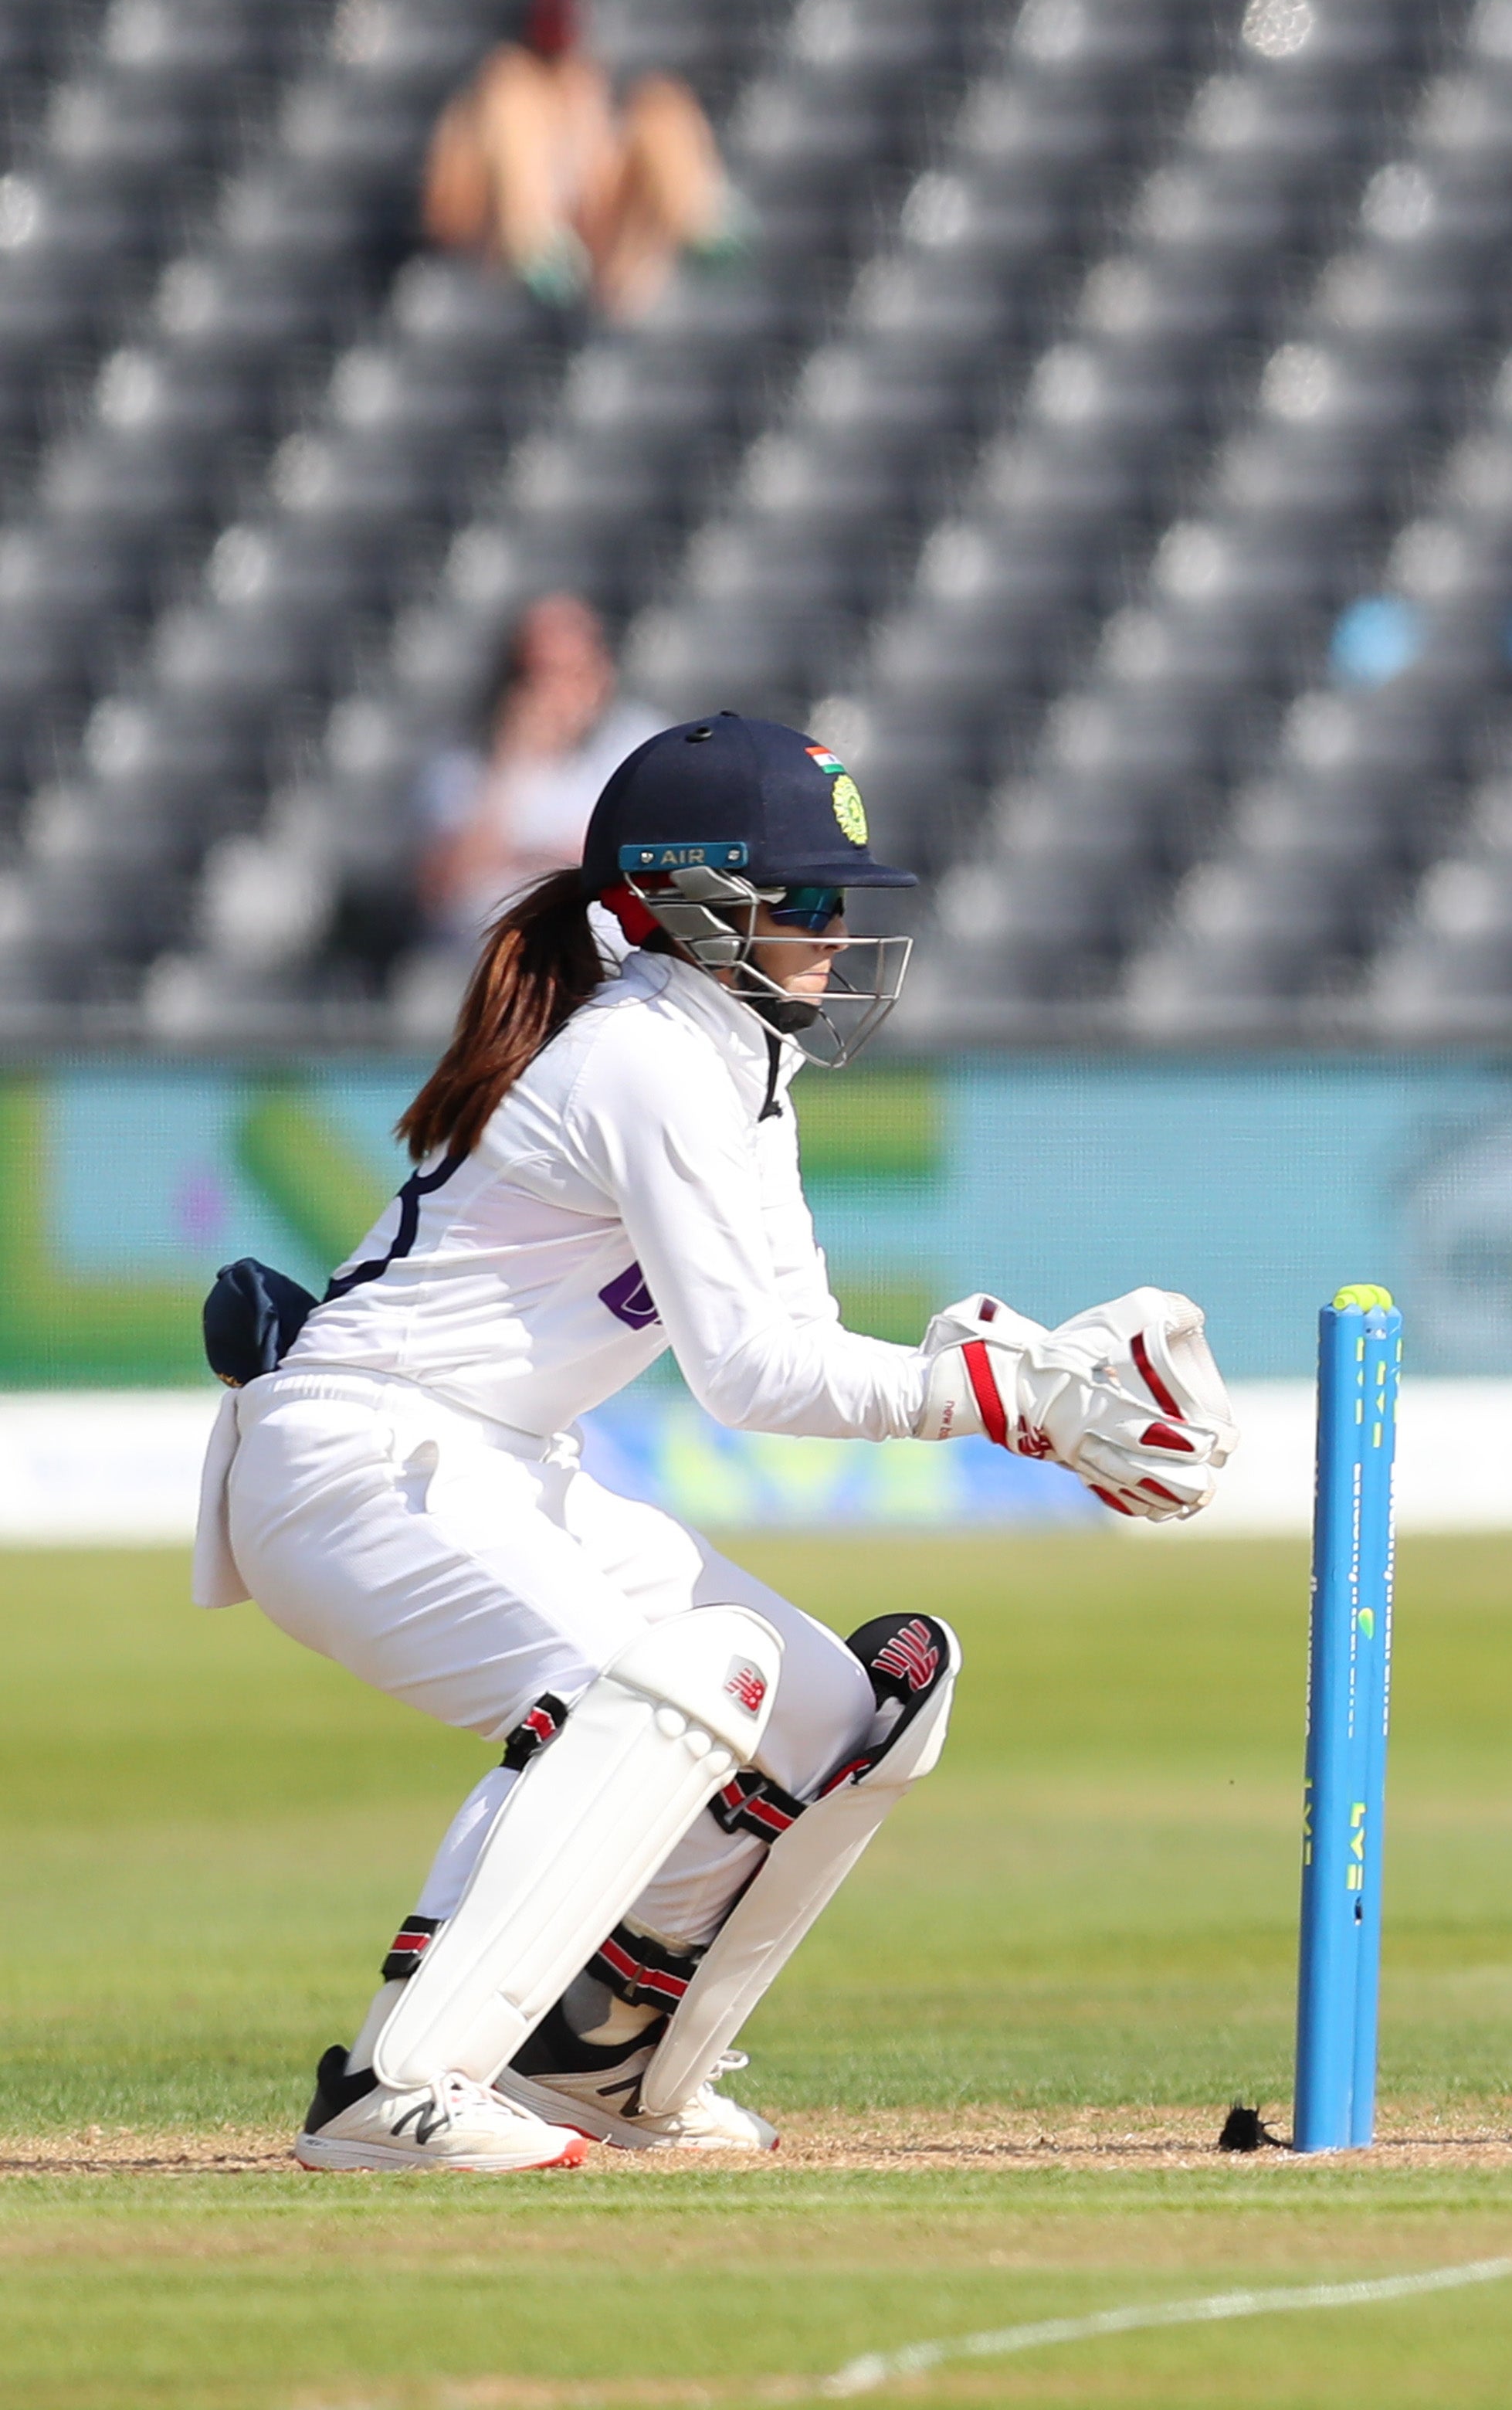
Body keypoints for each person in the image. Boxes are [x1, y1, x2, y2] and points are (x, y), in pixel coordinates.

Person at [197, 714, 1239, 2171]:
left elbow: (796, 1343)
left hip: (497, 1467)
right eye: (802, 900)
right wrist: (1002, 1399)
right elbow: (747, 1375)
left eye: (840, 902)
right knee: (670, 1682)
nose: (832, 932)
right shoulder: (641, 1057)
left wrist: (1000, 1382)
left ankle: (604, 2057)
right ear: (688, 901)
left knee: (838, 1708)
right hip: (361, 1466)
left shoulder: (740, 1065)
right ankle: (397, 2081)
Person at [425, 0, 736, 323]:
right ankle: (537, 249)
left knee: (661, 105)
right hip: (503, 251)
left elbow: (599, 184)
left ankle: (702, 222)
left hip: (607, 260)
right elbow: (446, 211)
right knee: (513, 100)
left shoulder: (587, 84)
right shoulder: (500, 88)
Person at [420, 594, 668, 945]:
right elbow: (442, 890)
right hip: (488, 948)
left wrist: (523, 857)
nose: (554, 693)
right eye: (536, 675)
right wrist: (513, 764)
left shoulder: (638, 747)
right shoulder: (467, 756)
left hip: (605, 945)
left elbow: (635, 866)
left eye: (570, 674)